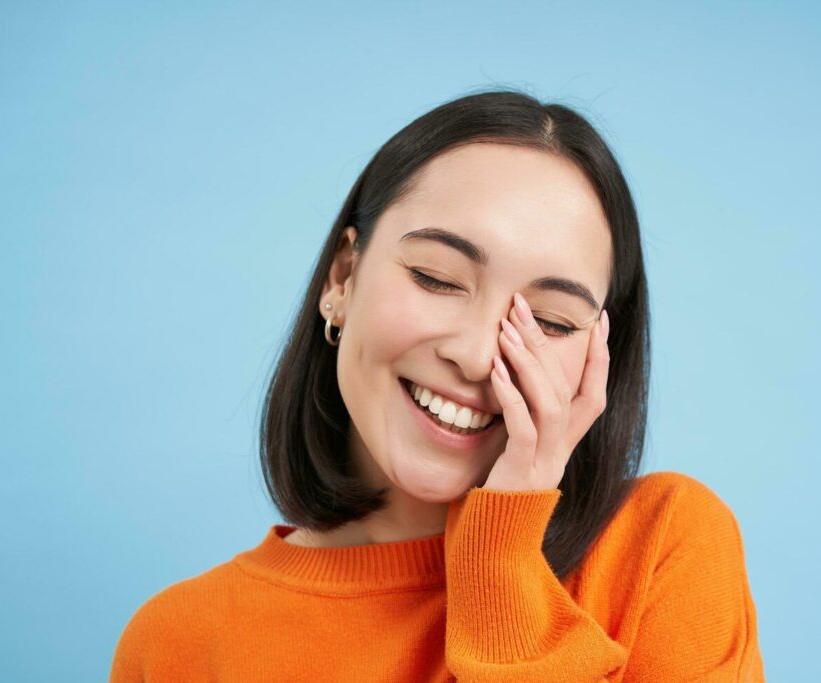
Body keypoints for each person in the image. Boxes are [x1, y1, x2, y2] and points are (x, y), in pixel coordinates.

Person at [110, 88, 766, 682]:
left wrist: (502, 552)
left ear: (600, 354)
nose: (481, 356)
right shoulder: (176, 642)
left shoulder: (660, 548)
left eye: (551, 320)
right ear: (342, 277)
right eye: (437, 277)